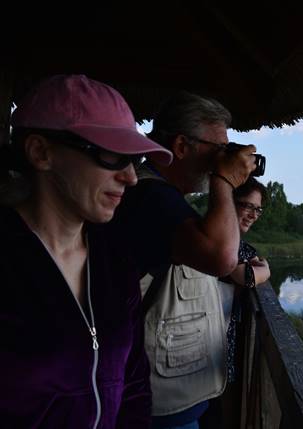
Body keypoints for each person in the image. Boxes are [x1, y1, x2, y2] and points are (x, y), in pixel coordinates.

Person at [0, 74, 173, 428]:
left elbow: (134, 384)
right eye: (111, 156)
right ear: (41, 152)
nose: (131, 177)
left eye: (134, 160)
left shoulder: (114, 260)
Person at [109, 91, 256, 429]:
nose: (223, 159)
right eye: (219, 149)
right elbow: (221, 256)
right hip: (156, 407)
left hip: (167, 396)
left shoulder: (165, 198)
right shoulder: (151, 197)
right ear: (180, 146)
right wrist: (224, 180)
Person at [221, 177, 270, 383]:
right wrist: (266, 270)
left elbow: (251, 259)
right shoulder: (222, 238)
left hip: (220, 335)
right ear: (229, 201)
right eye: (248, 206)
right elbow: (247, 276)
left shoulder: (237, 242)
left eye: (258, 209)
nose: (253, 215)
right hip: (207, 338)